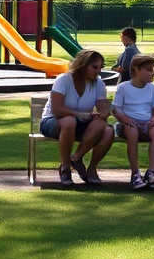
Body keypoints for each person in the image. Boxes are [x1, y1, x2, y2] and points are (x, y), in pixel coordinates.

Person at [40, 49, 114, 185]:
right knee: (69, 121)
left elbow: (104, 107)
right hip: (53, 122)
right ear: (83, 65)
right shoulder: (64, 79)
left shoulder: (99, 84)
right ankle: (65, 168)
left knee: (107, 130)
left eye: (100, 67)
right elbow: (56, 110)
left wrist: (103, 113)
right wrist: (81, 114)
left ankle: (83, 163)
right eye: (94, 67)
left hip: (79, 123)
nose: (98, 71)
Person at [111, 54, 154, 189]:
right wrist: (126, 120)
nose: (152, 73)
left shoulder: (152, 88)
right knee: (132, 131)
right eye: (148, 70)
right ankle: (135, 174)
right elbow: (115, 110)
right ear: (136, 70)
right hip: (128, 123)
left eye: (153, 70)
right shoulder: (124, 87)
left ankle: (151, 171)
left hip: (146, 122)